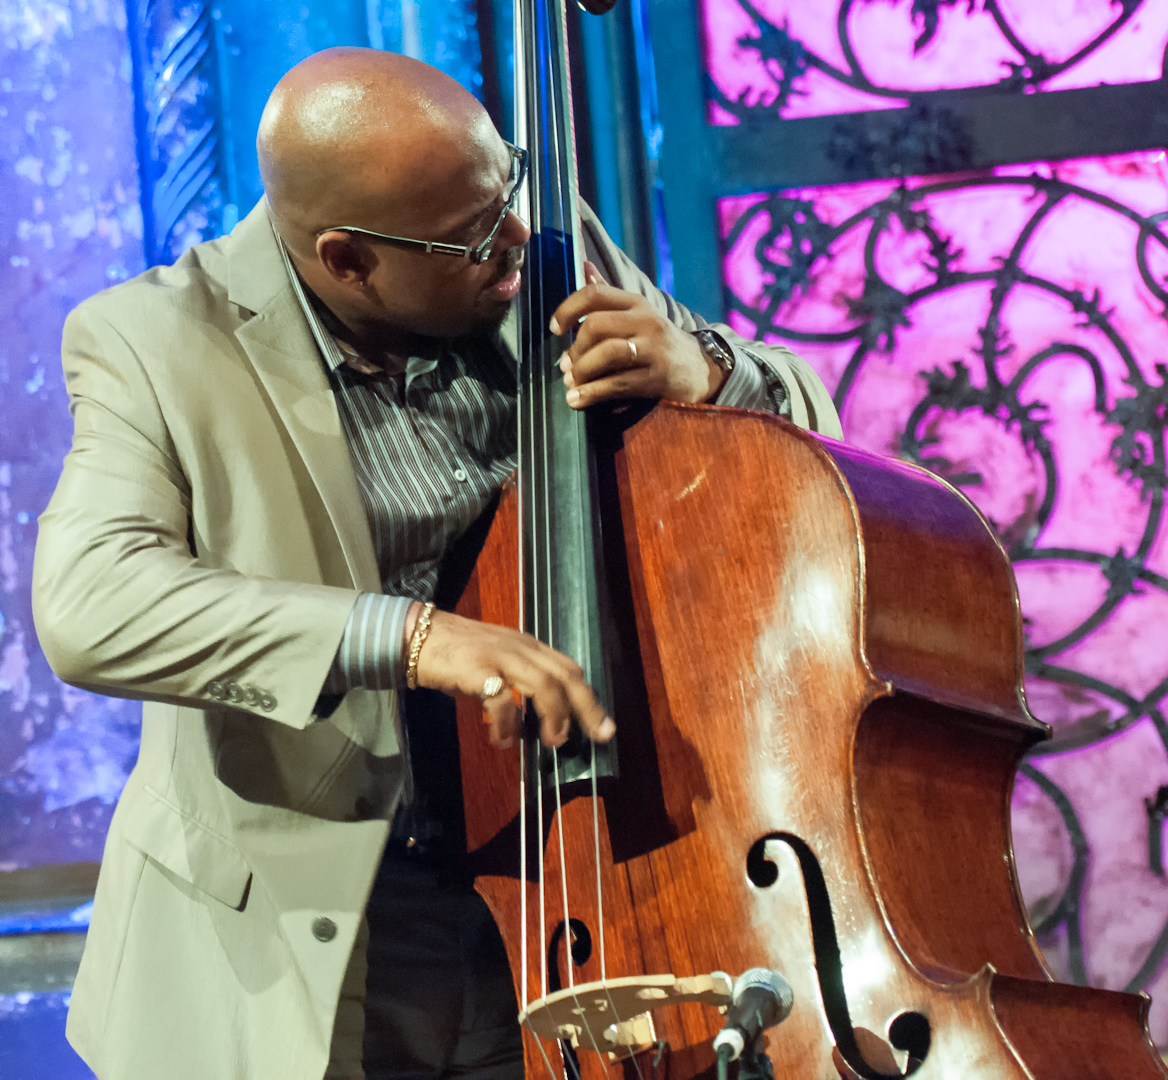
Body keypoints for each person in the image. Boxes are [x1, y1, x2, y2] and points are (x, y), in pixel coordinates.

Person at [32, 47, 841, 1080]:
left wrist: (712, 372)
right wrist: (416, 639)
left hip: (577, 869)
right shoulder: (151, 341)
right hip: (323, 928)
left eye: (505, 190)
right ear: (347, 260)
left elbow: (808, 438)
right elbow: (91, 603)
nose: (515, 241)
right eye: (466, 243)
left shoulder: (531, 240)